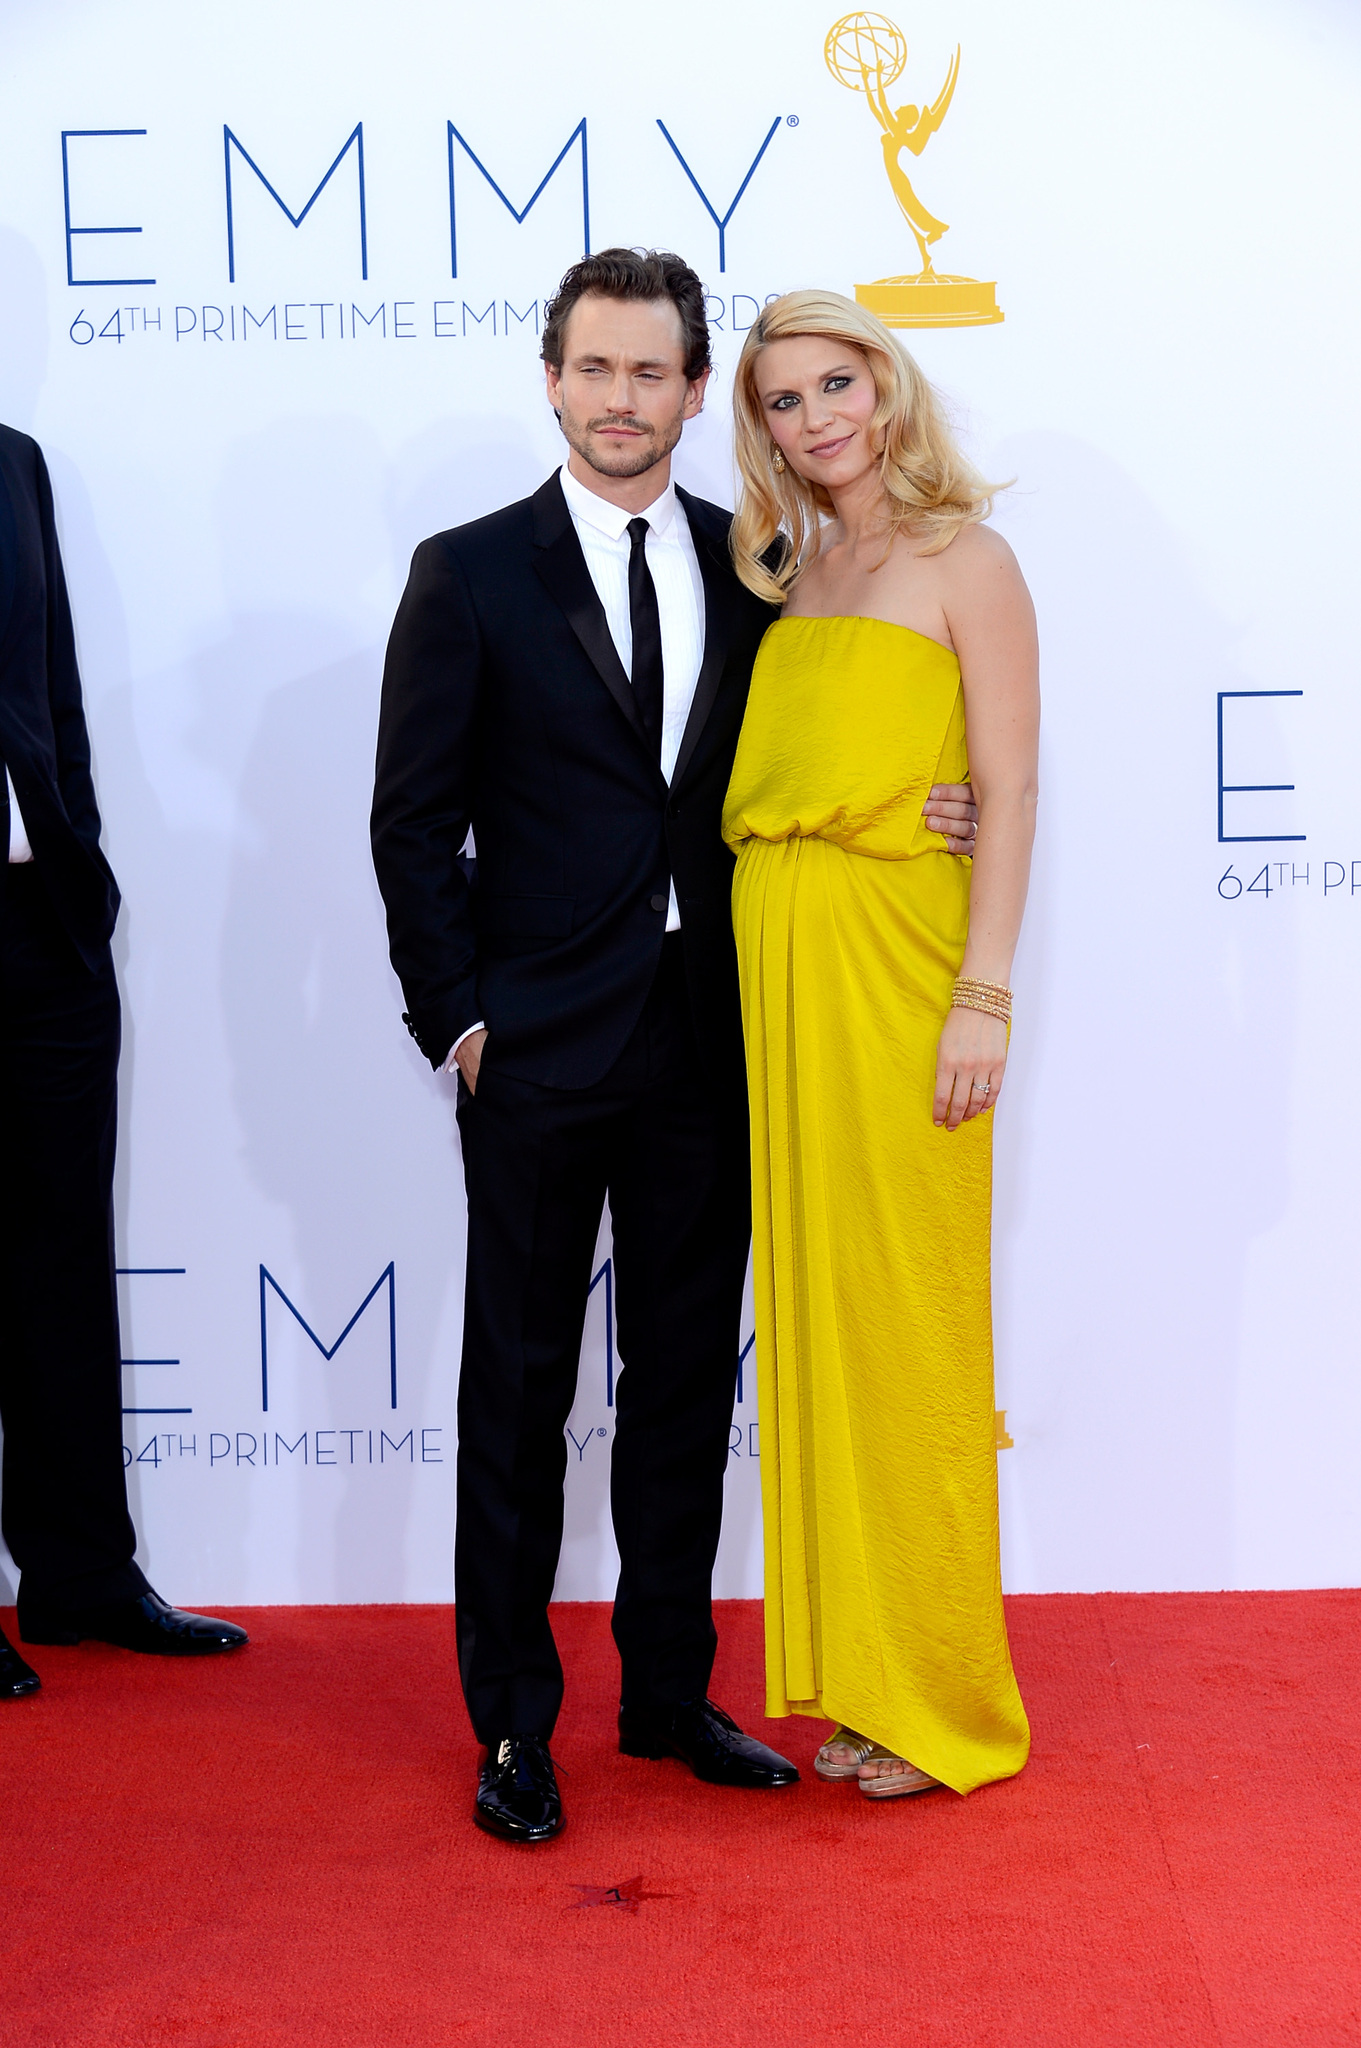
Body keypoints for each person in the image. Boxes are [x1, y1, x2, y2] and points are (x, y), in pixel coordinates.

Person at [370, 250, 981, 1841]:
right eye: (595, 370)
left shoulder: (758, 563)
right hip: (535, 1052)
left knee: (679, 1393)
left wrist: (932, 800)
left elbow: (820, 744)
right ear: (553, 380)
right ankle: (513, 1727)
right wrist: (460, 1020)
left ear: (697, 394)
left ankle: (662, 1694)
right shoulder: (470, 571)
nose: (622, 401)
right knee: (515, 1396)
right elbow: (412, 821)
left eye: (653, 375)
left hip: (710, 1047)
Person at [721, 291, 1037, 1800]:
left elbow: (1011, 791)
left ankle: (947, 1699)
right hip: (782, 970)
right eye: (784, 402)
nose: (816, 419)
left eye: (836, 383)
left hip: (902, 971)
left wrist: (984, 992)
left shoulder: (967, 559)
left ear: (888, 386)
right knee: (824, 1333)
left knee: (910, 1329)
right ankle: (862, 1681)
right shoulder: (791, 571)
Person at [0, 424, 247, 1698]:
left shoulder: (10, 461)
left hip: (38, 919)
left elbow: (52, 685)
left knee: (57, 1255)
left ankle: (81, 1572)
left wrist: (81, 871)